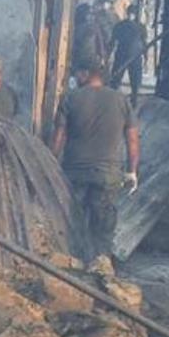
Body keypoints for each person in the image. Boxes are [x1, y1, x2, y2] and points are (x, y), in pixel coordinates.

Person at [52, 58, 140, 256]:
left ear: (85, 73)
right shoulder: (121, 100)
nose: (75, 77)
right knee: (103, 226)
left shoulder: (70, 98)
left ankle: (72, 262)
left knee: (73, 222)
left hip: (75, 173)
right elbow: (132, 140)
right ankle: (100, 265)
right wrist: (132, 171)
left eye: (76, 73)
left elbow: (59, 137)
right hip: (108, 175)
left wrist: (51, 162)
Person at [110, 6, 147, 103]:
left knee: (135, 81)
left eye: (133, 13)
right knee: (115, 79)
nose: (131, 15)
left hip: (135, 57)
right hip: (121, 55)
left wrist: (145, 56)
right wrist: (107, 55)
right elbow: (112, 42)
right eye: (130, 12)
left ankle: (134, 100)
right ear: (127, 13)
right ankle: (111, 99)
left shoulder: (140, 27)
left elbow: (144, 42)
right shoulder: (120, 26)